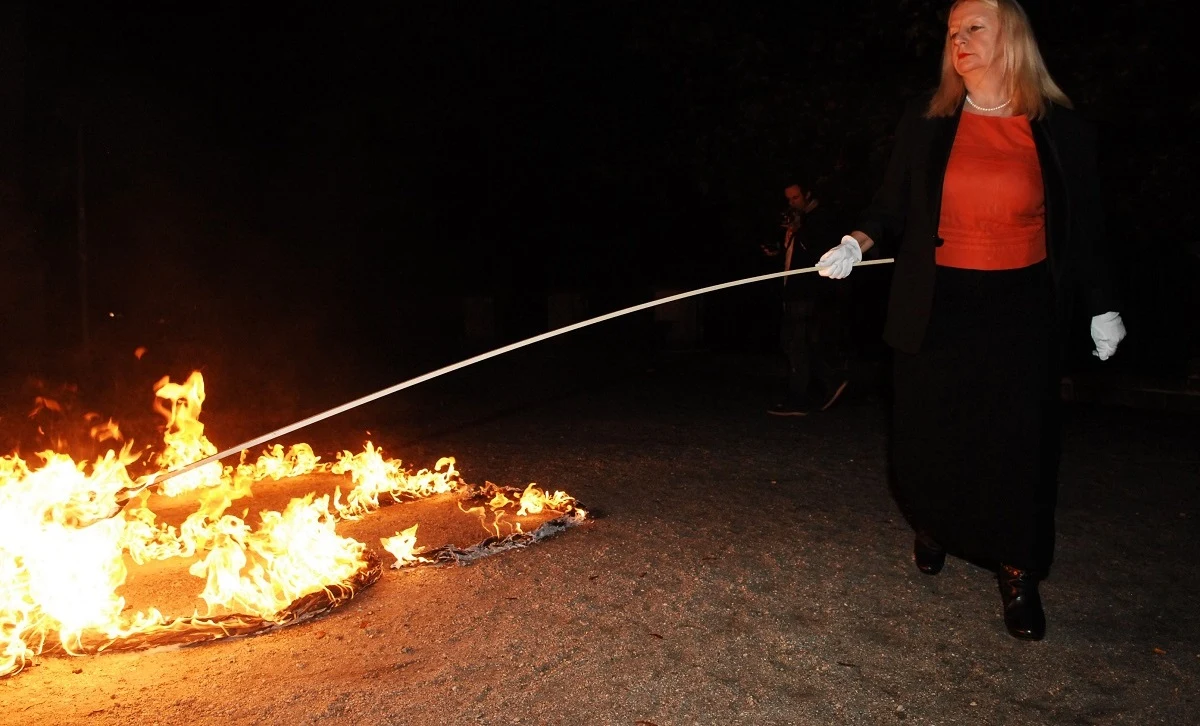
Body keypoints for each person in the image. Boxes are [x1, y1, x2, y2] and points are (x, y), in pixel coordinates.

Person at [816, 0, 1126, 640]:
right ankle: (933, 523)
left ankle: (1019, 570)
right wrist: (854, 242)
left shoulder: (1058, 127)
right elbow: (889, 206)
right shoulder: (927, 121)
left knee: (1020, 440)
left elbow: (1086, 228)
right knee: (930, 432)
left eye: (974, 28)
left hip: (1019, 307)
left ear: (1011, 35)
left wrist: (1102, 303)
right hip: (937, 301)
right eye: (953, 32)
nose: (959, 40)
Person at [762, 182, 849, 416]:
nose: (792, 203)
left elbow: (820, 254)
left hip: (807, 293)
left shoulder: (819, 219)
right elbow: (795, 255)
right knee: (795, 343)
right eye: (788, 199)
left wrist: (800, 231)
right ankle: (827, 382)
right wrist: (779, 248)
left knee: (796, 344)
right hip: (793, 291)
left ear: (808, 194)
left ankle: (802, 397)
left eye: (796, 197)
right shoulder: (800, 220)